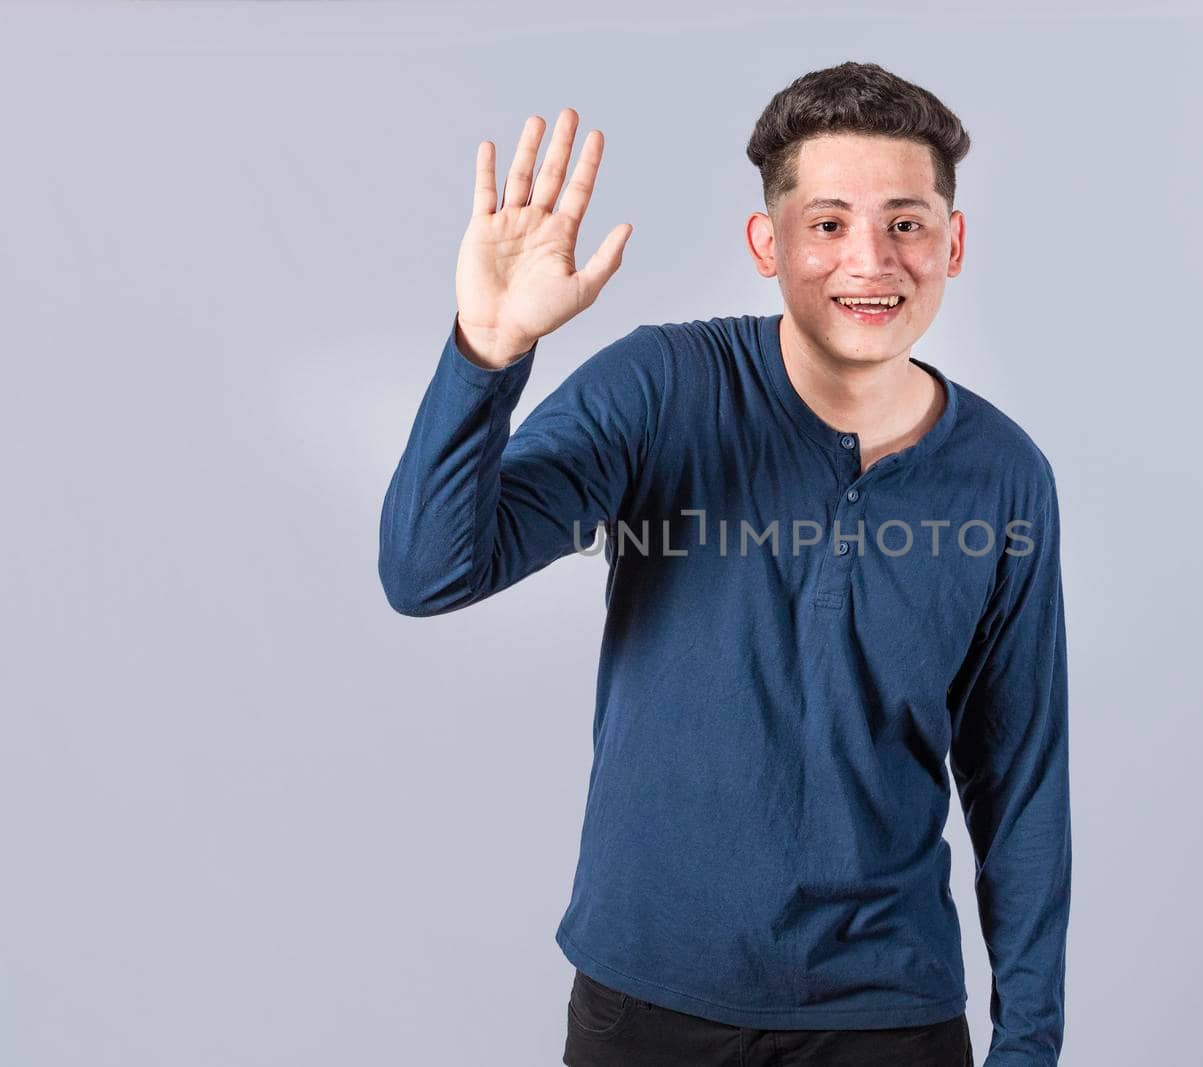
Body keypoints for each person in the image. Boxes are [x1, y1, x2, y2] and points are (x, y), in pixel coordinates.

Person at [378, 61, 1070, 1067]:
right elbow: (429, 569)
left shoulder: (1005, 475)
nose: (869, 259)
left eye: (906, 222)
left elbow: (1019, 781)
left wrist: (1029, 1045)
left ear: (952, 242)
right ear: (769, 243)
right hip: (649, 1003)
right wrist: (485, 350)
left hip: (890, 1015)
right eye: (827, 223)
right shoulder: (664, 388)